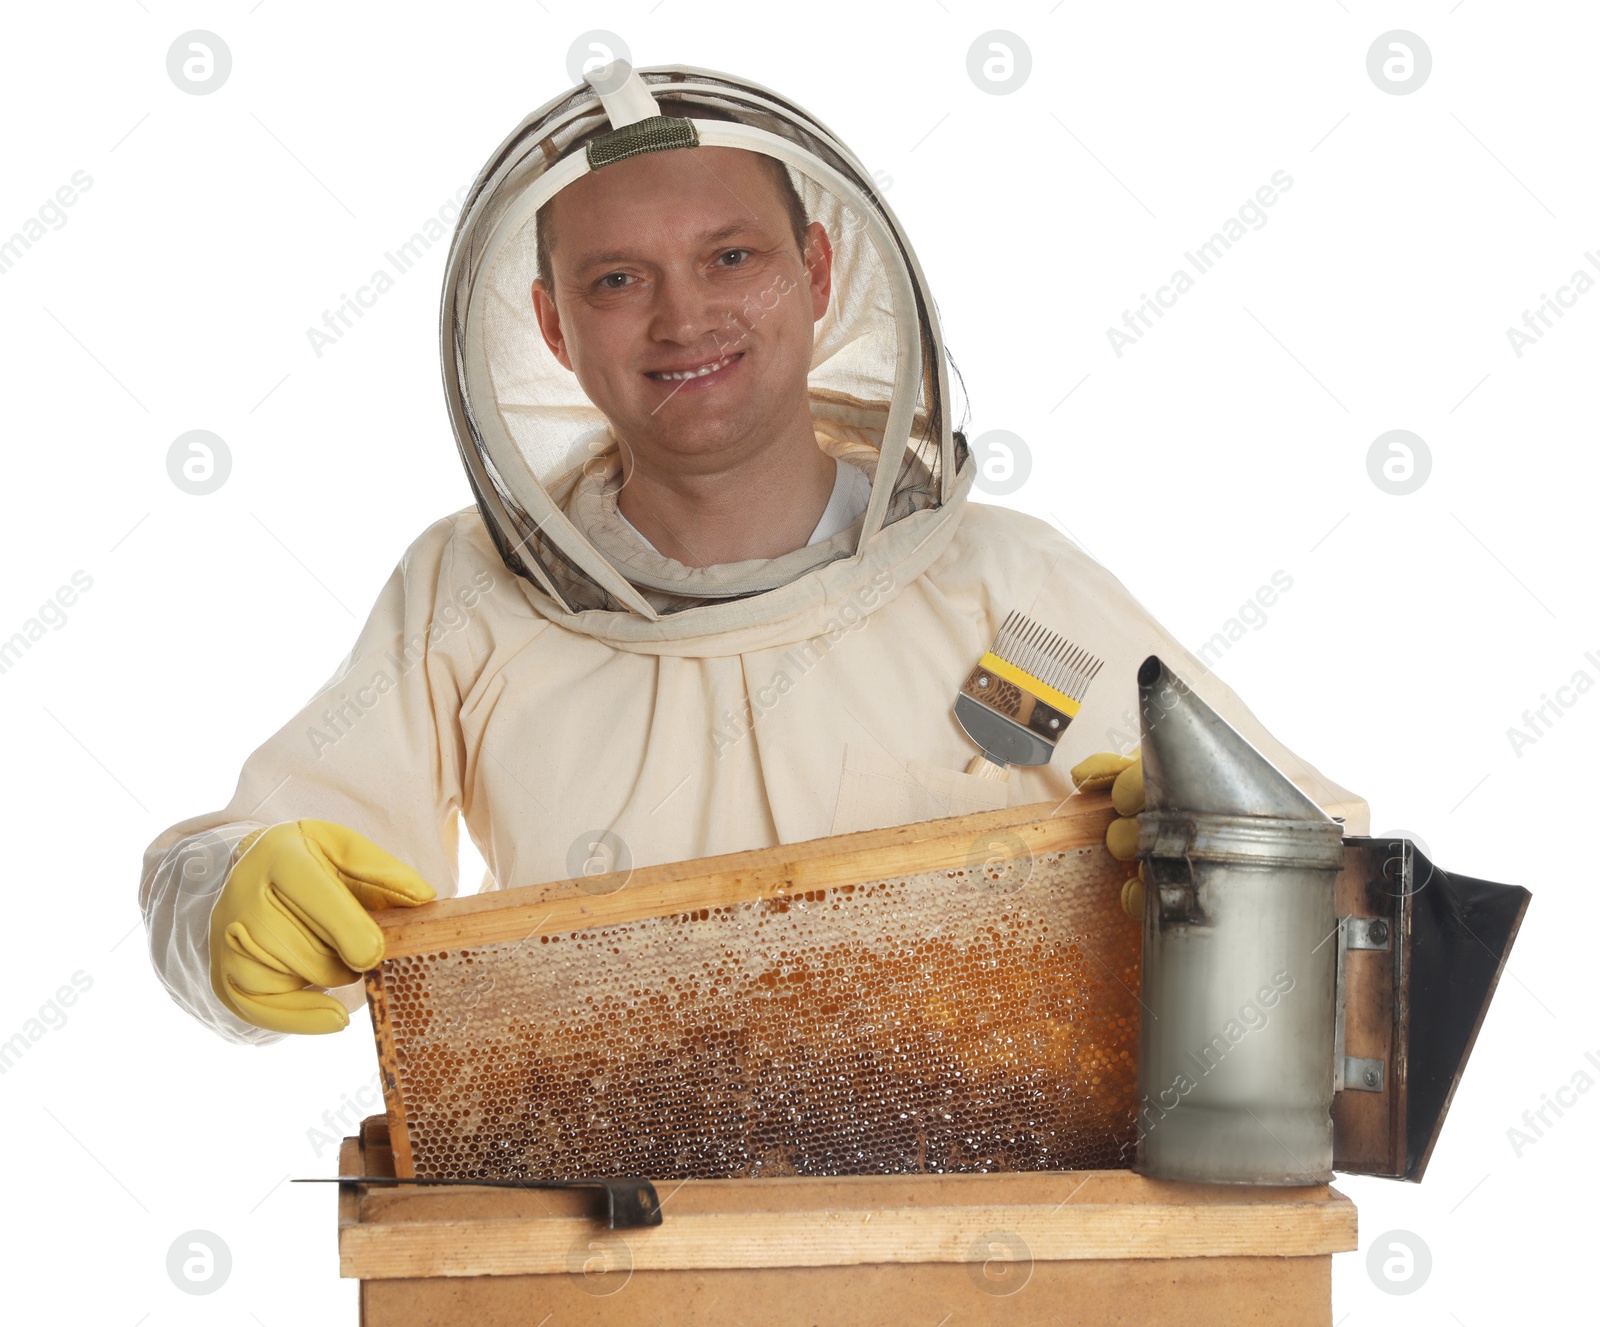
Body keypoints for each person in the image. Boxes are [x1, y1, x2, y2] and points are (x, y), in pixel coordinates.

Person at [139, 63, 1366, 1044]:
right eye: (618, 279)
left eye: (732, 256)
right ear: (555, 328)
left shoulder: (1009, 602)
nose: (684, 318)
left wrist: (1226, 844)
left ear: (816, 271)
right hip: (611, 1247)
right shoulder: (470, 600)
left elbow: (1335, 881)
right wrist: (228, 901)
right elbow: (243, 855)